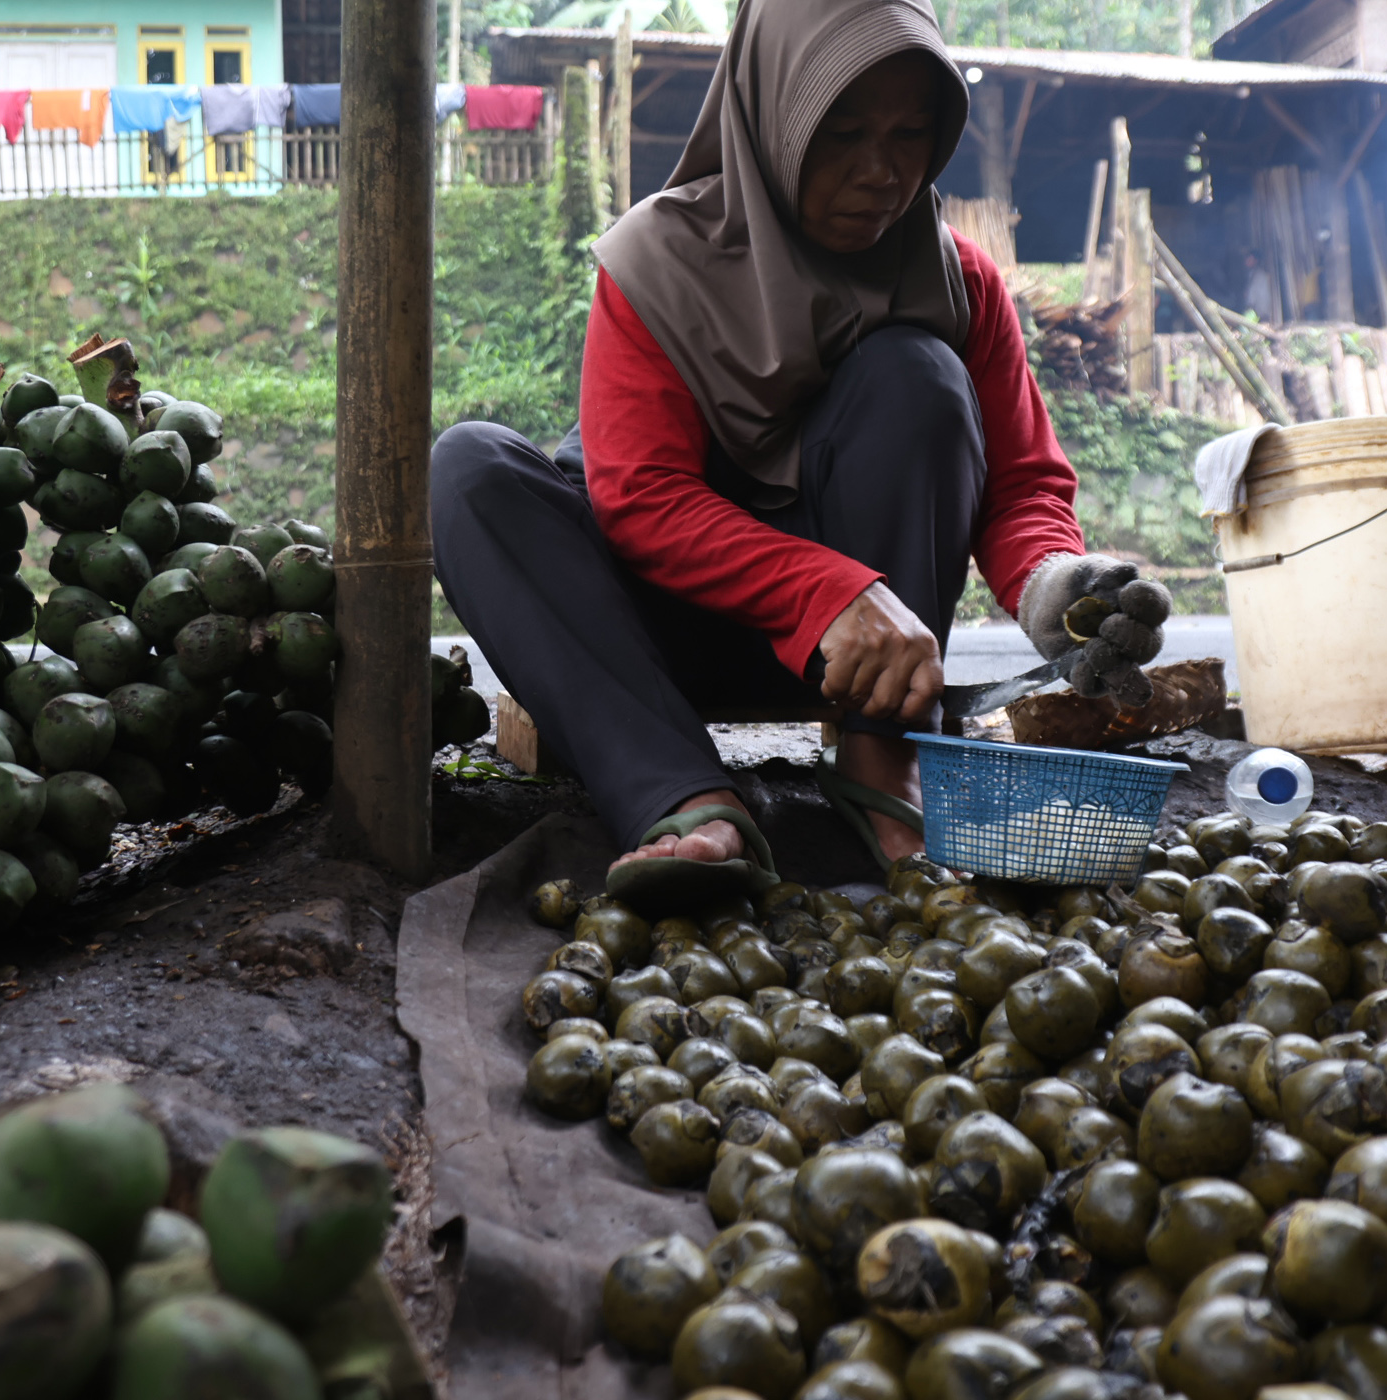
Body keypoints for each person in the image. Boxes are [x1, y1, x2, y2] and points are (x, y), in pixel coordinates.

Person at [430, 0, 1171, 907]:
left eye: (911, 133)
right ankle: (686, 801)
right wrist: (821, 588)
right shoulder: (658, 264)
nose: (881, 172)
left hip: (862, 661)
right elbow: (642, 498)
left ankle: (881, 764)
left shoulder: (954, 280)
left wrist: (1052, 579)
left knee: (919, 378)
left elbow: (1020, 484)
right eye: (844, 133)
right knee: (470, 469)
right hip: (650, 639)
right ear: (773, 121)